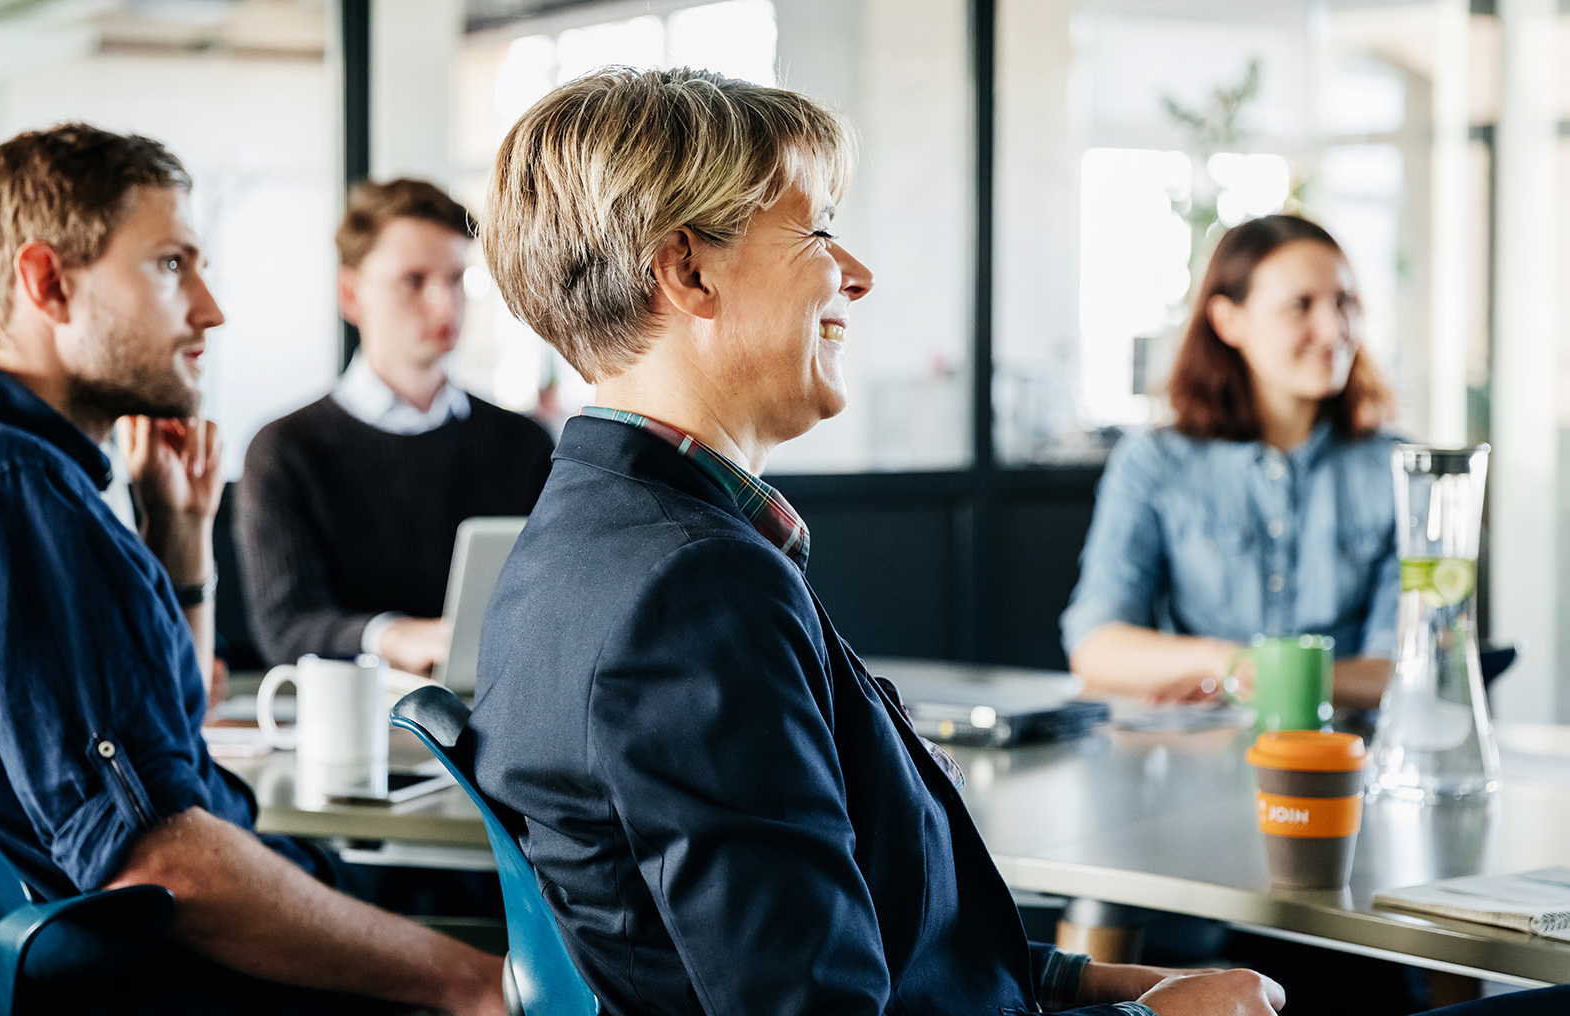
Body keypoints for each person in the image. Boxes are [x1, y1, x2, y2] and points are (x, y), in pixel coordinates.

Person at [467, 66, 1300, 1016]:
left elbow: (882, 953)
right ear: (686, 269)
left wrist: (1107, 984)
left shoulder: (578, 544)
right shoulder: (693, 594)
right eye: (817, 230)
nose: (855, 273)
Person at [0, 123, 506, 1014]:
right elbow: (156, 863)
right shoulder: (13, 489)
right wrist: (467, 983)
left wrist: (180, 537)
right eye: (172, 264)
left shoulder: (37, 478)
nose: (209, 308)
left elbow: (167, 744)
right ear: (48, 283)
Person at [1063, 215, 1400, 709]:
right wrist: (1227, 662)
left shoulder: (1398, 470)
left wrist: (1245, 681)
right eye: (1300, 306)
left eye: (1344, 302)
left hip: (1350, 764)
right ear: (1228, 321)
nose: (1334, 330)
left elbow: (1410, 673)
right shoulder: (1154, 463)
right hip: (1199, 762)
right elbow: (1096, 646)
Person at [238, 178, 554, 675]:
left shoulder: (523, 443)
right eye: (414, 280)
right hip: (353, 722)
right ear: (350, 293)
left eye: (455, 280)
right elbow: (285, 626)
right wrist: (390, 635)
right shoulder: (286, 449)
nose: (444, 304)